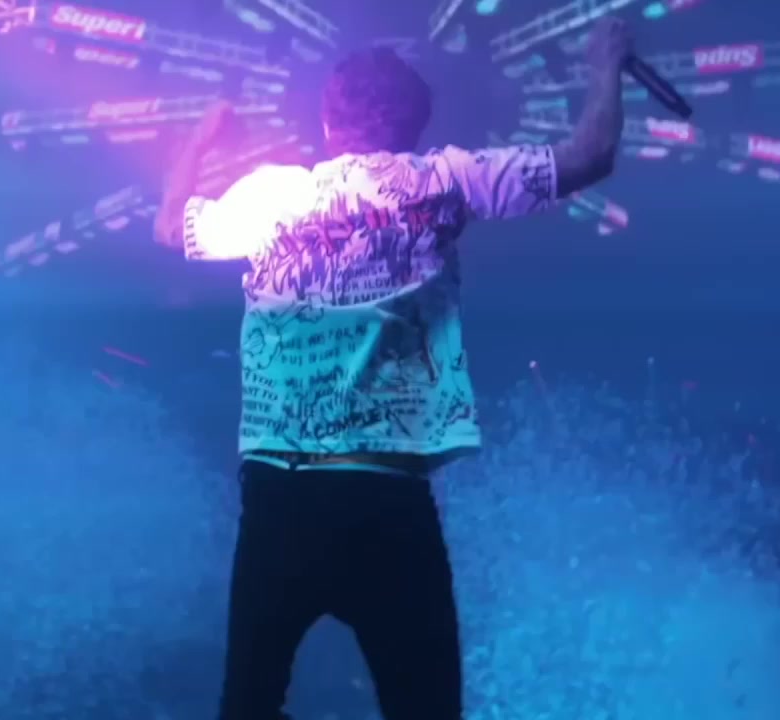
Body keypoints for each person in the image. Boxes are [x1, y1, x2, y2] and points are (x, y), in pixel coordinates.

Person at [153, 16, 633, 720]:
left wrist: (199, 139)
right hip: (386, 497)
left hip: (280, 498)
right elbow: (590, 155)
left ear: (328, 123)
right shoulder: (446, 178)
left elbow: (172, 226)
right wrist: (605, 63)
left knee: (248, 707)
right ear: (414, 127)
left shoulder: (269, 196)